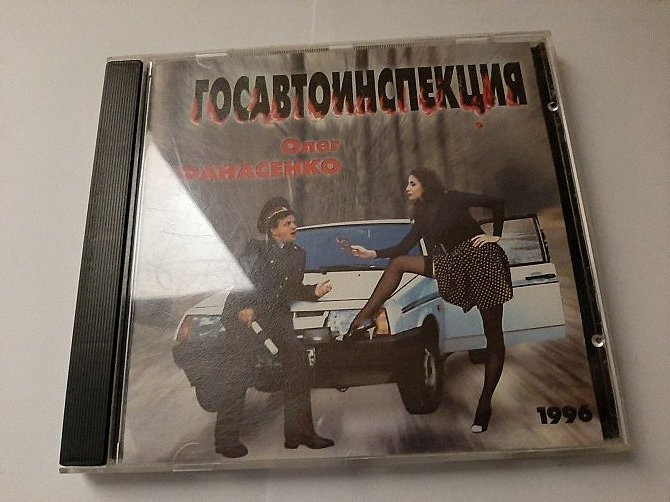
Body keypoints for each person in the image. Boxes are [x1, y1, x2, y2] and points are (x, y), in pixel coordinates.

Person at [347, 168, 513, 433]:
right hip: (453, 263)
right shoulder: (422, 215)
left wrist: (496, 235)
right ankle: (363, 317)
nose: (407, 188)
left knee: (493, 334)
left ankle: (484, 404)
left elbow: (497, 202)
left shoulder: (453, 198)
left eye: (412, 183)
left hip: (482, 261)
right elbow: (402, 249)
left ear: (426, 184)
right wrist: (371, 253)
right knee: (399, 262)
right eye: (408, 184)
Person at [216, 197, 334, 458]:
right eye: (287, 223)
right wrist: (243, 307)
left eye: (294, 222)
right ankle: (225, 440)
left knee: (298, 362)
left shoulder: (298, 254)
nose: (294, 227)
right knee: (238, 370)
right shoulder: (255, 250)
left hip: (274, 318)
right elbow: (241, 281)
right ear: (273, 230)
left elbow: (288, 290)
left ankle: (300, 434)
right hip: (242, 315)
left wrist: (313, 291)